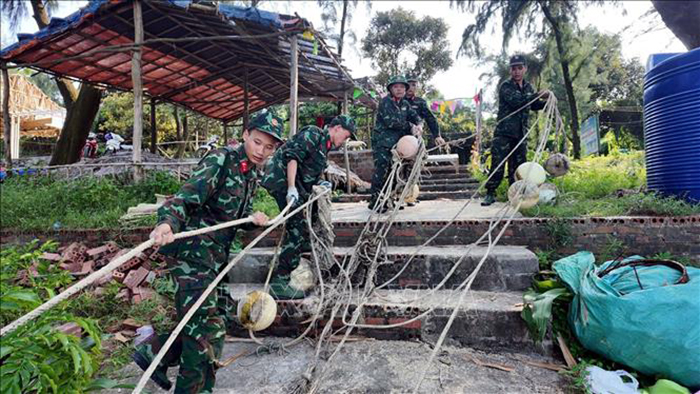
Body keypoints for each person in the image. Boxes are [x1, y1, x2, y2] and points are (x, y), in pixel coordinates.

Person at [132, 111, 284, 393]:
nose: (262, 151)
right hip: (194, 255)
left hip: (215, 257)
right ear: (245, 135)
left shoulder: (250, 173)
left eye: (269, 147)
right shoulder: (221, 160)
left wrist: (252, 220)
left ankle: (156, 352)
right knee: (204, 332)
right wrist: (167, 222)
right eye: (257, 142)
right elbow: (185, 197)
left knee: (213, 320)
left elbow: (227, 215)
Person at [261, 114, 357, 299]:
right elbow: (292, 158)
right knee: (296, 227)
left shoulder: (325, 147)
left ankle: (299, 250)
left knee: (308, 221)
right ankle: (279, 281)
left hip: (298, 187)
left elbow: (310, 171)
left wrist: (321, 183)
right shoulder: (314, 134)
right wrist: (290, 187)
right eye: (345, 136)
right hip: (281, 181)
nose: (345, 141)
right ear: (336, 128)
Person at [481, 55, 548, 206]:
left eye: (519, 68)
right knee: (498, 165)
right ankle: (490, 193)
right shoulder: (506, 86)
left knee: (518, 168)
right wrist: (538, 95)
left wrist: (546, 102)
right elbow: (517, 103)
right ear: (510, 70)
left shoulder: (528, 87)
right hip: (504, 133)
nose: (516, 71)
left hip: (521, 134)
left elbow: (533, 105)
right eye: (513, 68)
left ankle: (516, 194)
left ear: (525, 69)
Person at [369, 75, 422, 212]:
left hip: (397, 144)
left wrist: (419, 124)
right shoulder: (385, 102)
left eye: (402, 87)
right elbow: (391, 122)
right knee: (382, 170)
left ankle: (388, 199)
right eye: (396, 87)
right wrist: (411, 126)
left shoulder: (405, 104)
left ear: (405, 89)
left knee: (395, 171)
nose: (399, 90)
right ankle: (375, 201)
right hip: (382, 142)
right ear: (391, 89)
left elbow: (415, 116)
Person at [405, 76, 445, 148]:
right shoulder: (397, 101)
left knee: (418, 157)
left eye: (413, 85)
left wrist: (437, 135)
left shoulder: (420, 102)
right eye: (408, 85)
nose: (410, 87)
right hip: (398, 136)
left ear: (417, 87)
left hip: (415, 136)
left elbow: (430, 118)